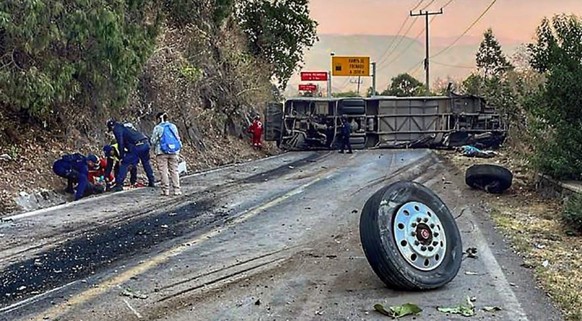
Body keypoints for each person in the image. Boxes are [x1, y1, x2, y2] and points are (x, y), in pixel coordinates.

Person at [106, 118, 156, 191]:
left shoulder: (117, 129)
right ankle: (152, 181)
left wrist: (121, 157)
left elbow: (121, 143)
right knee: (146, 163)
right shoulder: (127, 127)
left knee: (124, 163)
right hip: (145, 143)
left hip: (137, 146)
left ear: (112, 127)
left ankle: (119, 184)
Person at [151, 112, 182, 196]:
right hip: (174, 151)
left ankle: (166, 190)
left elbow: (153, 141)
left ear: (158, 119)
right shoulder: (173, 126)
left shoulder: (158, 128)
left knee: (163, 171)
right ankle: (177, 189)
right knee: (174, 170)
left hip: (161, 152)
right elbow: (177, 138)